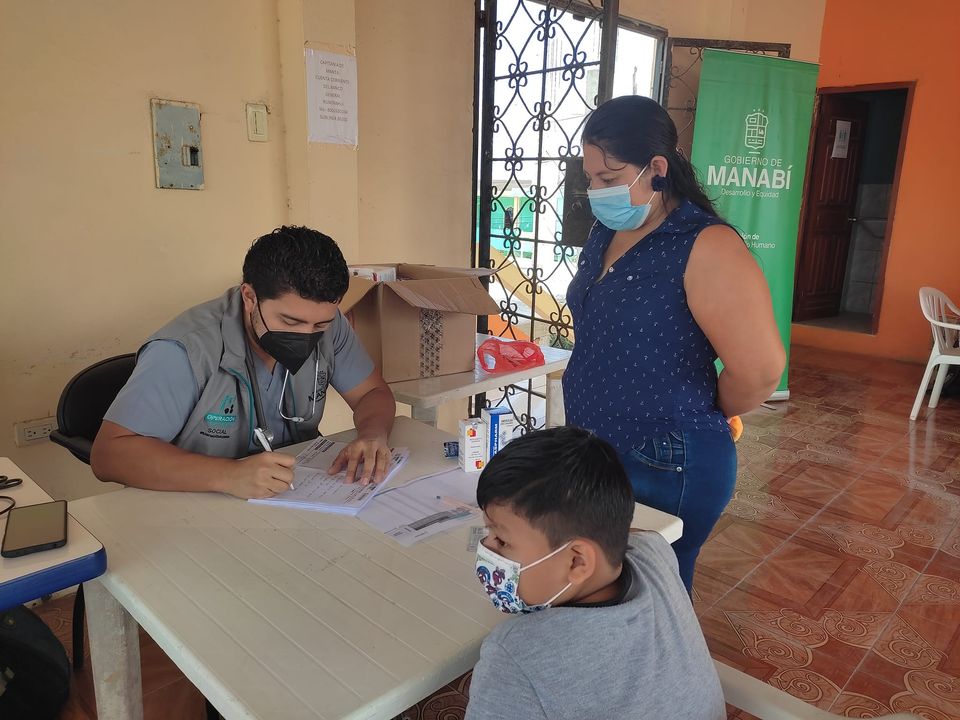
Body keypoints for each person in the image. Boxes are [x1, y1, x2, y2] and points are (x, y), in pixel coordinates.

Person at [564, 95, 785, 593]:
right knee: (603, 590)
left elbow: (760, 370)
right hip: (599, 446)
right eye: (591, 178)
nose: (596, 191)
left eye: (609, 178)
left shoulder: (705, 245)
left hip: (666, 459)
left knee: (652, 598)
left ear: (657, 169)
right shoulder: (607, 230)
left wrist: (702, 407)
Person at [91, 226, 396, 498]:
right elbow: (108, 456)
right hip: (196, 501)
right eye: (290, 321)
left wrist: (372, 434)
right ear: (250, 297)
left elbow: (372, 393)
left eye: (320, 325)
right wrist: (228, 475)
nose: (306, 336)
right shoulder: (185, 350)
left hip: (294, 495)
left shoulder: (332, 326)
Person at [466, 427, 724, 720]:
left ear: (577, 562)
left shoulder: (515, 656)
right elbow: (638, 535)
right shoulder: (655, 554)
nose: (486, 548)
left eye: (501, 541)